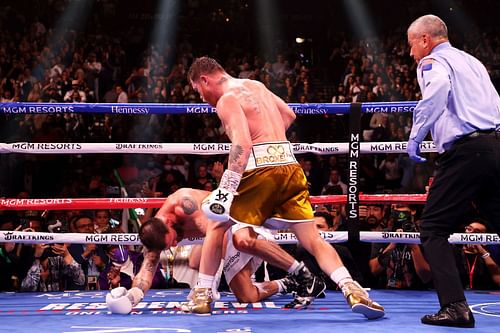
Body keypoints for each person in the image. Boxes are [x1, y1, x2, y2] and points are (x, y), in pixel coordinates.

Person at [184, 56, 384, 318]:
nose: (200, 98)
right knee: (312, 238)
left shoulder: (227, 100)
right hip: (290, 167)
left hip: (259, 171)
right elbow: (289, 114)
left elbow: (242, 145)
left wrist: (227, 188)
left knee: (216, 224)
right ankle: (352, 288)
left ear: (204, 80)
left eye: (197, 91)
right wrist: (270, 138)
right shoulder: (255, 85)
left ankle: (202, 296)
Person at [406, 14, 500, 327]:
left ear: (424, 39)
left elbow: (436, 93)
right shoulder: (473, 62)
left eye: (411, 45)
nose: (411, 54)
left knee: (432, 228)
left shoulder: (431, 63)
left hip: (464, 153)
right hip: (492, 146)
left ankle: (456, 307)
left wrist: (416, 135)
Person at [105, 188, 299, 314]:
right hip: (220, 235)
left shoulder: (186, 206)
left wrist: (205, 291)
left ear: (170, 222)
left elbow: (218, 237)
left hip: (241, 226)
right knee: (246, 296)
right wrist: (133, 296)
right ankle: (286, 283)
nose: (174, 245)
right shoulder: (155, 233)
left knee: (203, 260)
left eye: (172, 240)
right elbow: (146, 270)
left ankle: (298, 270)